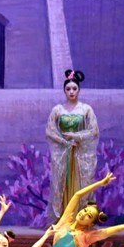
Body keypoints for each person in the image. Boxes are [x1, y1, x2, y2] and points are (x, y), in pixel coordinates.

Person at [46, 69, 99, 223]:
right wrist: (65, 141)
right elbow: (50, 131)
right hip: (63, 154)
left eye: (74, 88)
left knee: (82, 183)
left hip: (80, 154)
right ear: (64, 90)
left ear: (79, 90)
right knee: (61, 183)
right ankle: (63, 220)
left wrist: (76, 137)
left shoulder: (86, 109)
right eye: (68, 89)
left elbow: (94, 131)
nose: (71, 91)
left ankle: (80, 219)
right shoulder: (58, 109)